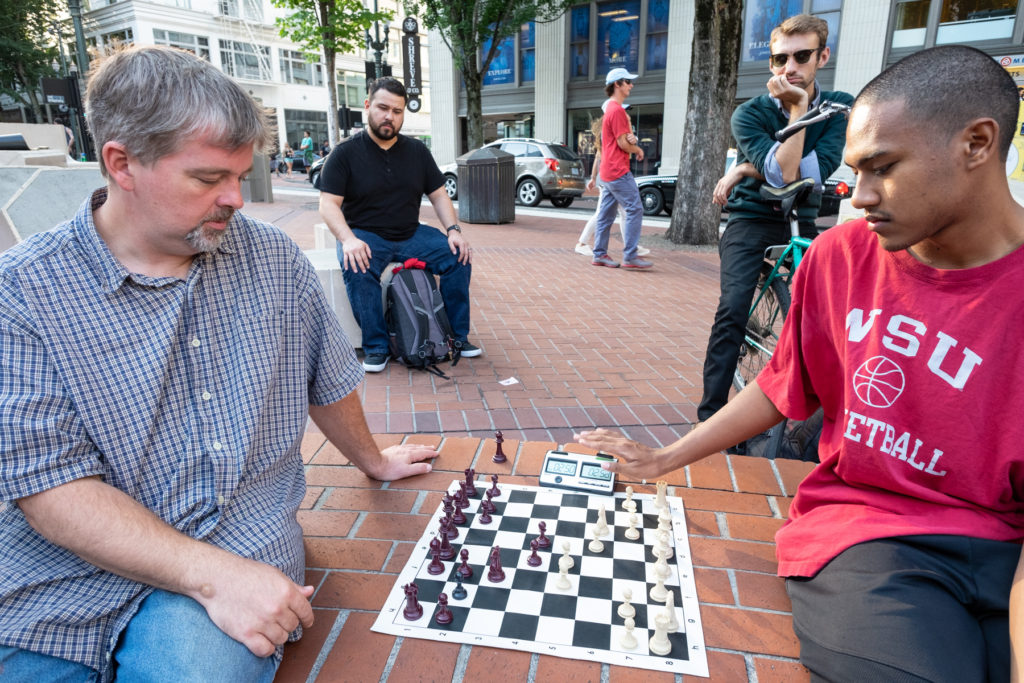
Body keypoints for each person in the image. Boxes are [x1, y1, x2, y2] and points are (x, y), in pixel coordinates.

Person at [578, 44, 1024, 681]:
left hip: (1003, 545)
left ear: (977, 143)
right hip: (877, 537)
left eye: (883, 168)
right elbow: (784, 381)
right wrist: (665, 458)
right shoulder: (839, 257)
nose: (858, 194)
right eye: (853, 171)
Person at [0, 45, 439, 682]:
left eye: (242, 174)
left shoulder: (275, 264)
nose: (236, 198)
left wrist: (372, 461)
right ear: (121, 163)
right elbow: (49, 486)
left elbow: (327, 379)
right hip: (62, 581)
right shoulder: (21, 292)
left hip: (240, 545)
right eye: (209, 179)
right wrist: (211, 577)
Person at [698, 14, 852, 427]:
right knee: (732, 309)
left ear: (823, 55)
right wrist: (798, 111)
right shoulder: (748, 115)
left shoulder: (839, 107)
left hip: (802, 218)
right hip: (751, 218)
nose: (789, 68)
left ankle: (828, 415)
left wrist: (747, 168)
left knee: (832, 315)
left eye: (802, 56)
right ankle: (711, 416)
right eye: (779, 59)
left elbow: (811, 171)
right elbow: (785, 173)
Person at [317, 77, 481, 373]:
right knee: (357, 265)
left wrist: (454, 231)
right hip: (366, 235)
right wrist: (348, 239)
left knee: (459, 256)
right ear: (367, 106)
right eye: (382, 108)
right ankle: (377, 347)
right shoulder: (345, 153)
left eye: (397, 110)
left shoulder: (417, 151)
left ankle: (458, 338)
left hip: (411, 233)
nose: (389, 116)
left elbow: (439, 195)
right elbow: (328, 204)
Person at [591, 67, 651, 270]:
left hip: (607, 172)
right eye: (627, 82)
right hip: (618, 171)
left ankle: (599, 254)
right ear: (617, 84)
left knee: (605, 216)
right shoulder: (616, 110)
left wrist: (630, 139)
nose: (631, 85)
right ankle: (630, 256)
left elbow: (621, 139)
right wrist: (637, 149)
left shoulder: (611, 110)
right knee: (635, 208)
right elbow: (623, 144)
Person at [574, 112, 650, 258]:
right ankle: (582, 243)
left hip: (610, 179)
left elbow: (599, 156)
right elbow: (604, 154)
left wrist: (593, 178)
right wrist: (635, 144)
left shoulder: (610, 131)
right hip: (612, 179)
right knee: (605, 214)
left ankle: (631, 246)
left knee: (623, 213)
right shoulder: (612, 132)